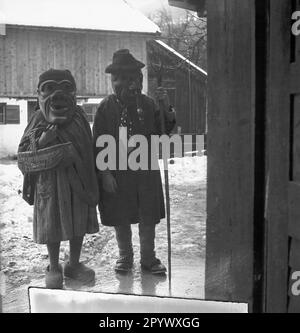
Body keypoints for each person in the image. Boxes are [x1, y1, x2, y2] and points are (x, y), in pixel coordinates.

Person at [93, 49, 176, 274]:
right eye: (116, 78)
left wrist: (165, 106)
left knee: (147, 216)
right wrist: (105, 173)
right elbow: (99, 143)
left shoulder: (149, 105)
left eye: (129, 78)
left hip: (145, 171)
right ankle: (125, 257)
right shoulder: (105, 108)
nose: (122, 83)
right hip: (118, 171)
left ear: (138, 79)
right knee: (121, 216)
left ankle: (148, 259)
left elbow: (165, 133)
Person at [18, 69, 99, 289]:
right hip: (50, 185)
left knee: (78, 222)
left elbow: (89, 146)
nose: (58, 95)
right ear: (38, 95)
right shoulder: (37, 119)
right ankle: (54, 267)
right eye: (49, 88)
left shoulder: (80, 117)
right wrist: (44, 139)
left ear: (74, 94)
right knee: (52, 224)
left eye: (65, 88)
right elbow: (23, 152)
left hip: (79, 180)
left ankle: (73, 264)